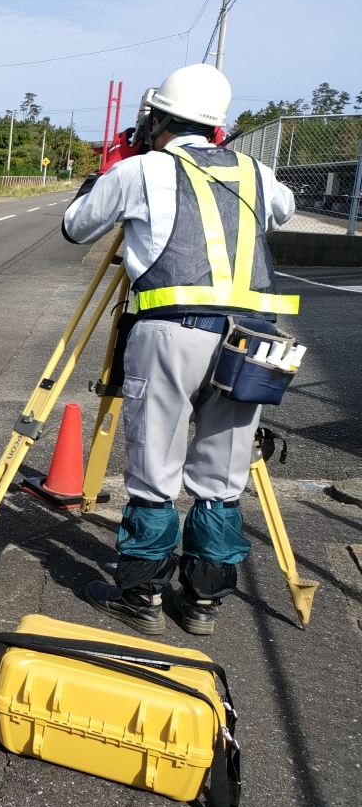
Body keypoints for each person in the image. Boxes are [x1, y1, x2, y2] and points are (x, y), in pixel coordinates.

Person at [61, 63, 298, 637]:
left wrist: (106, 175)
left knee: (154, 469)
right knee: (223, 475)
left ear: (158, 119)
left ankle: (141, 594)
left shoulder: (144, 170)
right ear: (218, 128)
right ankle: (202, 603)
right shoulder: (257, 174)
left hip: (171, 335)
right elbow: (284, 209)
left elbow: (76, 227)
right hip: (252, 343)